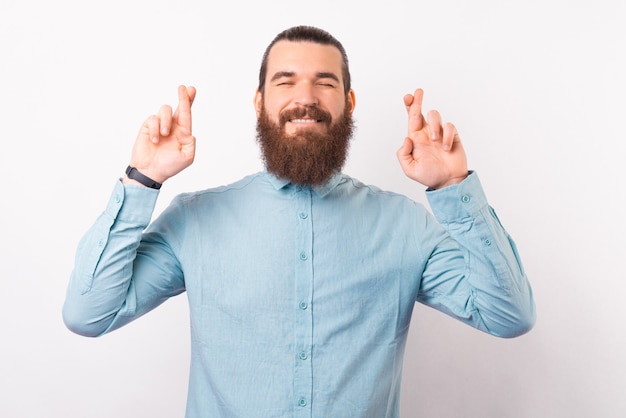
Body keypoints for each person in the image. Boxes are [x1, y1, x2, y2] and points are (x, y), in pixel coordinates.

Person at [63, 25, 535, 417]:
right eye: (285, 81)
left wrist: (454, 188)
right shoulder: (195, 220)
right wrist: (142, 180)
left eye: (325, 83)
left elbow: (508, 316)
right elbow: (89, 314)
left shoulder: (406, 226)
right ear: (259, 101)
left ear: (349, 103)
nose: (304, 98)